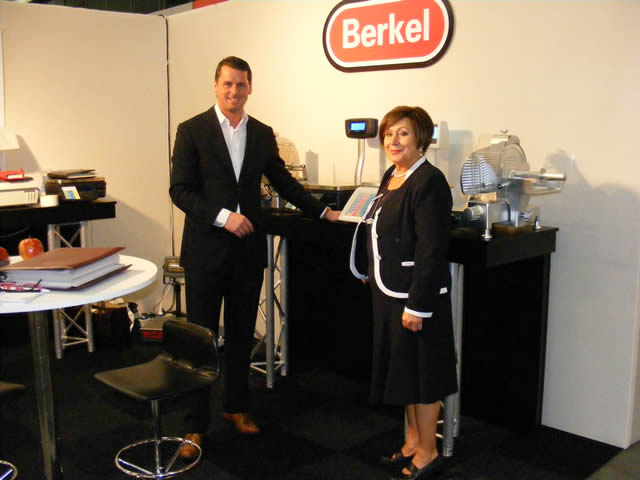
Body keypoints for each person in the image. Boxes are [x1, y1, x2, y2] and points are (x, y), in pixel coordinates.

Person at [169, 56, 340, 457]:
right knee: (202, 340)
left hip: (246, 253)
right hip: (205, 252)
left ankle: (236, 407)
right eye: (227, 84)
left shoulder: (262, 134)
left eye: (241, 85)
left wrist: (322, 212)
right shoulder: (192, 130)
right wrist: (224, 217)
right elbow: (180, 190)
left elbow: (284, 181)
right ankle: (195, 426)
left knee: (242, 334)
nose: (234, 91)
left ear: (250, 88)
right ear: (216, 86)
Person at [349, 106, 457, 480]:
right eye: (389, 134)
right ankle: (412, 442)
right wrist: (369, 269)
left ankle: (428, 452)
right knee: (406, 373)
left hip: (416, 298)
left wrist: (418, 306)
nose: (393, 141)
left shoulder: (430, 182)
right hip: (389, 292)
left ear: (421, 138)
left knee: (424, 378)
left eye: (404, 133)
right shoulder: (393, 176)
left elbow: (431, 249)